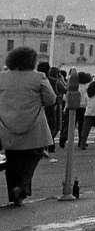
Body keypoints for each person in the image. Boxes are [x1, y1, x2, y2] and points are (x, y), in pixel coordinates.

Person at [0, 46, 56, 205]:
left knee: (12, 161)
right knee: (33, 156)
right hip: (33, 127)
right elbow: (50, 99)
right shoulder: (38, 77)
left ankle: (14, 196)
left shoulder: (2, 77)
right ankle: (23, 187)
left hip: (7, 126)